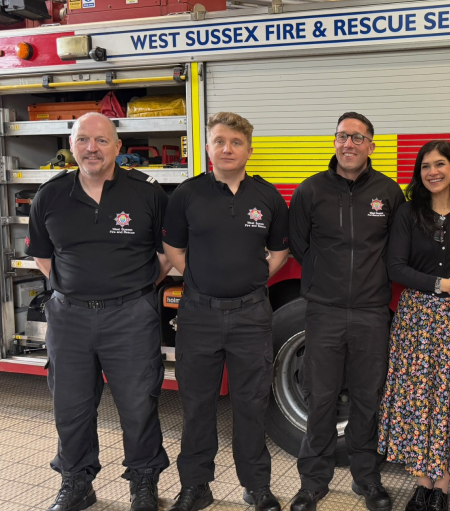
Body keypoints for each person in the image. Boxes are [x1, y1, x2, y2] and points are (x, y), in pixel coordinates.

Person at [26, 112, 171, 511]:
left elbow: (166, 256)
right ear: (72, 146)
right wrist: (76, 289)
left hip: (130, 316)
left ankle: (143, 483)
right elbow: (43, 256)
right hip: (68, 317)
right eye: (83, 140)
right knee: (70, 407)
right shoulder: (50, 195)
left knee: (139, 404)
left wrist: (135, 290)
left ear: (118, 147)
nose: (92, 148)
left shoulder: (147, 193)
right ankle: (77, 483)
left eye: (102, 140)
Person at [162, 112, 289, 511]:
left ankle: (256, 486)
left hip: (251, 315)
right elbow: (173, 251)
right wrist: (202, 282)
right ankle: (195, 486)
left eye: (235, 142)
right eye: (219, 141)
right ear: (207, 148)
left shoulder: (267, 197)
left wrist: (251, 282)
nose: (227, 149)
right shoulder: (186, 194)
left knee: (251, 403)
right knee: (197, 403)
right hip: (199, 314)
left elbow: (281, 250)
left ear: (249, 150)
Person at [288, 112, 405, 511]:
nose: (349, 144)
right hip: (324, 311)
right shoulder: (310, 191)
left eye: (357, 137)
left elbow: (395, 251)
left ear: (371, 145)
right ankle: (313, 482)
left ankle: (366, 479)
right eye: (342, 136)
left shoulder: (389, 193)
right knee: (320, 397)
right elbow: (300, 246)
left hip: (372, 312)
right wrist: (327, 281)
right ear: (334, 142)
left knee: (367, 398)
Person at [379, 141, 450, 511]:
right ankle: (421, 485)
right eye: (425, 166)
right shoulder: (409, 214)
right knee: (419, 402)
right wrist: (441, 285)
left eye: (440, 164)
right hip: (417, 322)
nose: (433, 172)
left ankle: (441, 488)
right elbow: (395, 267)